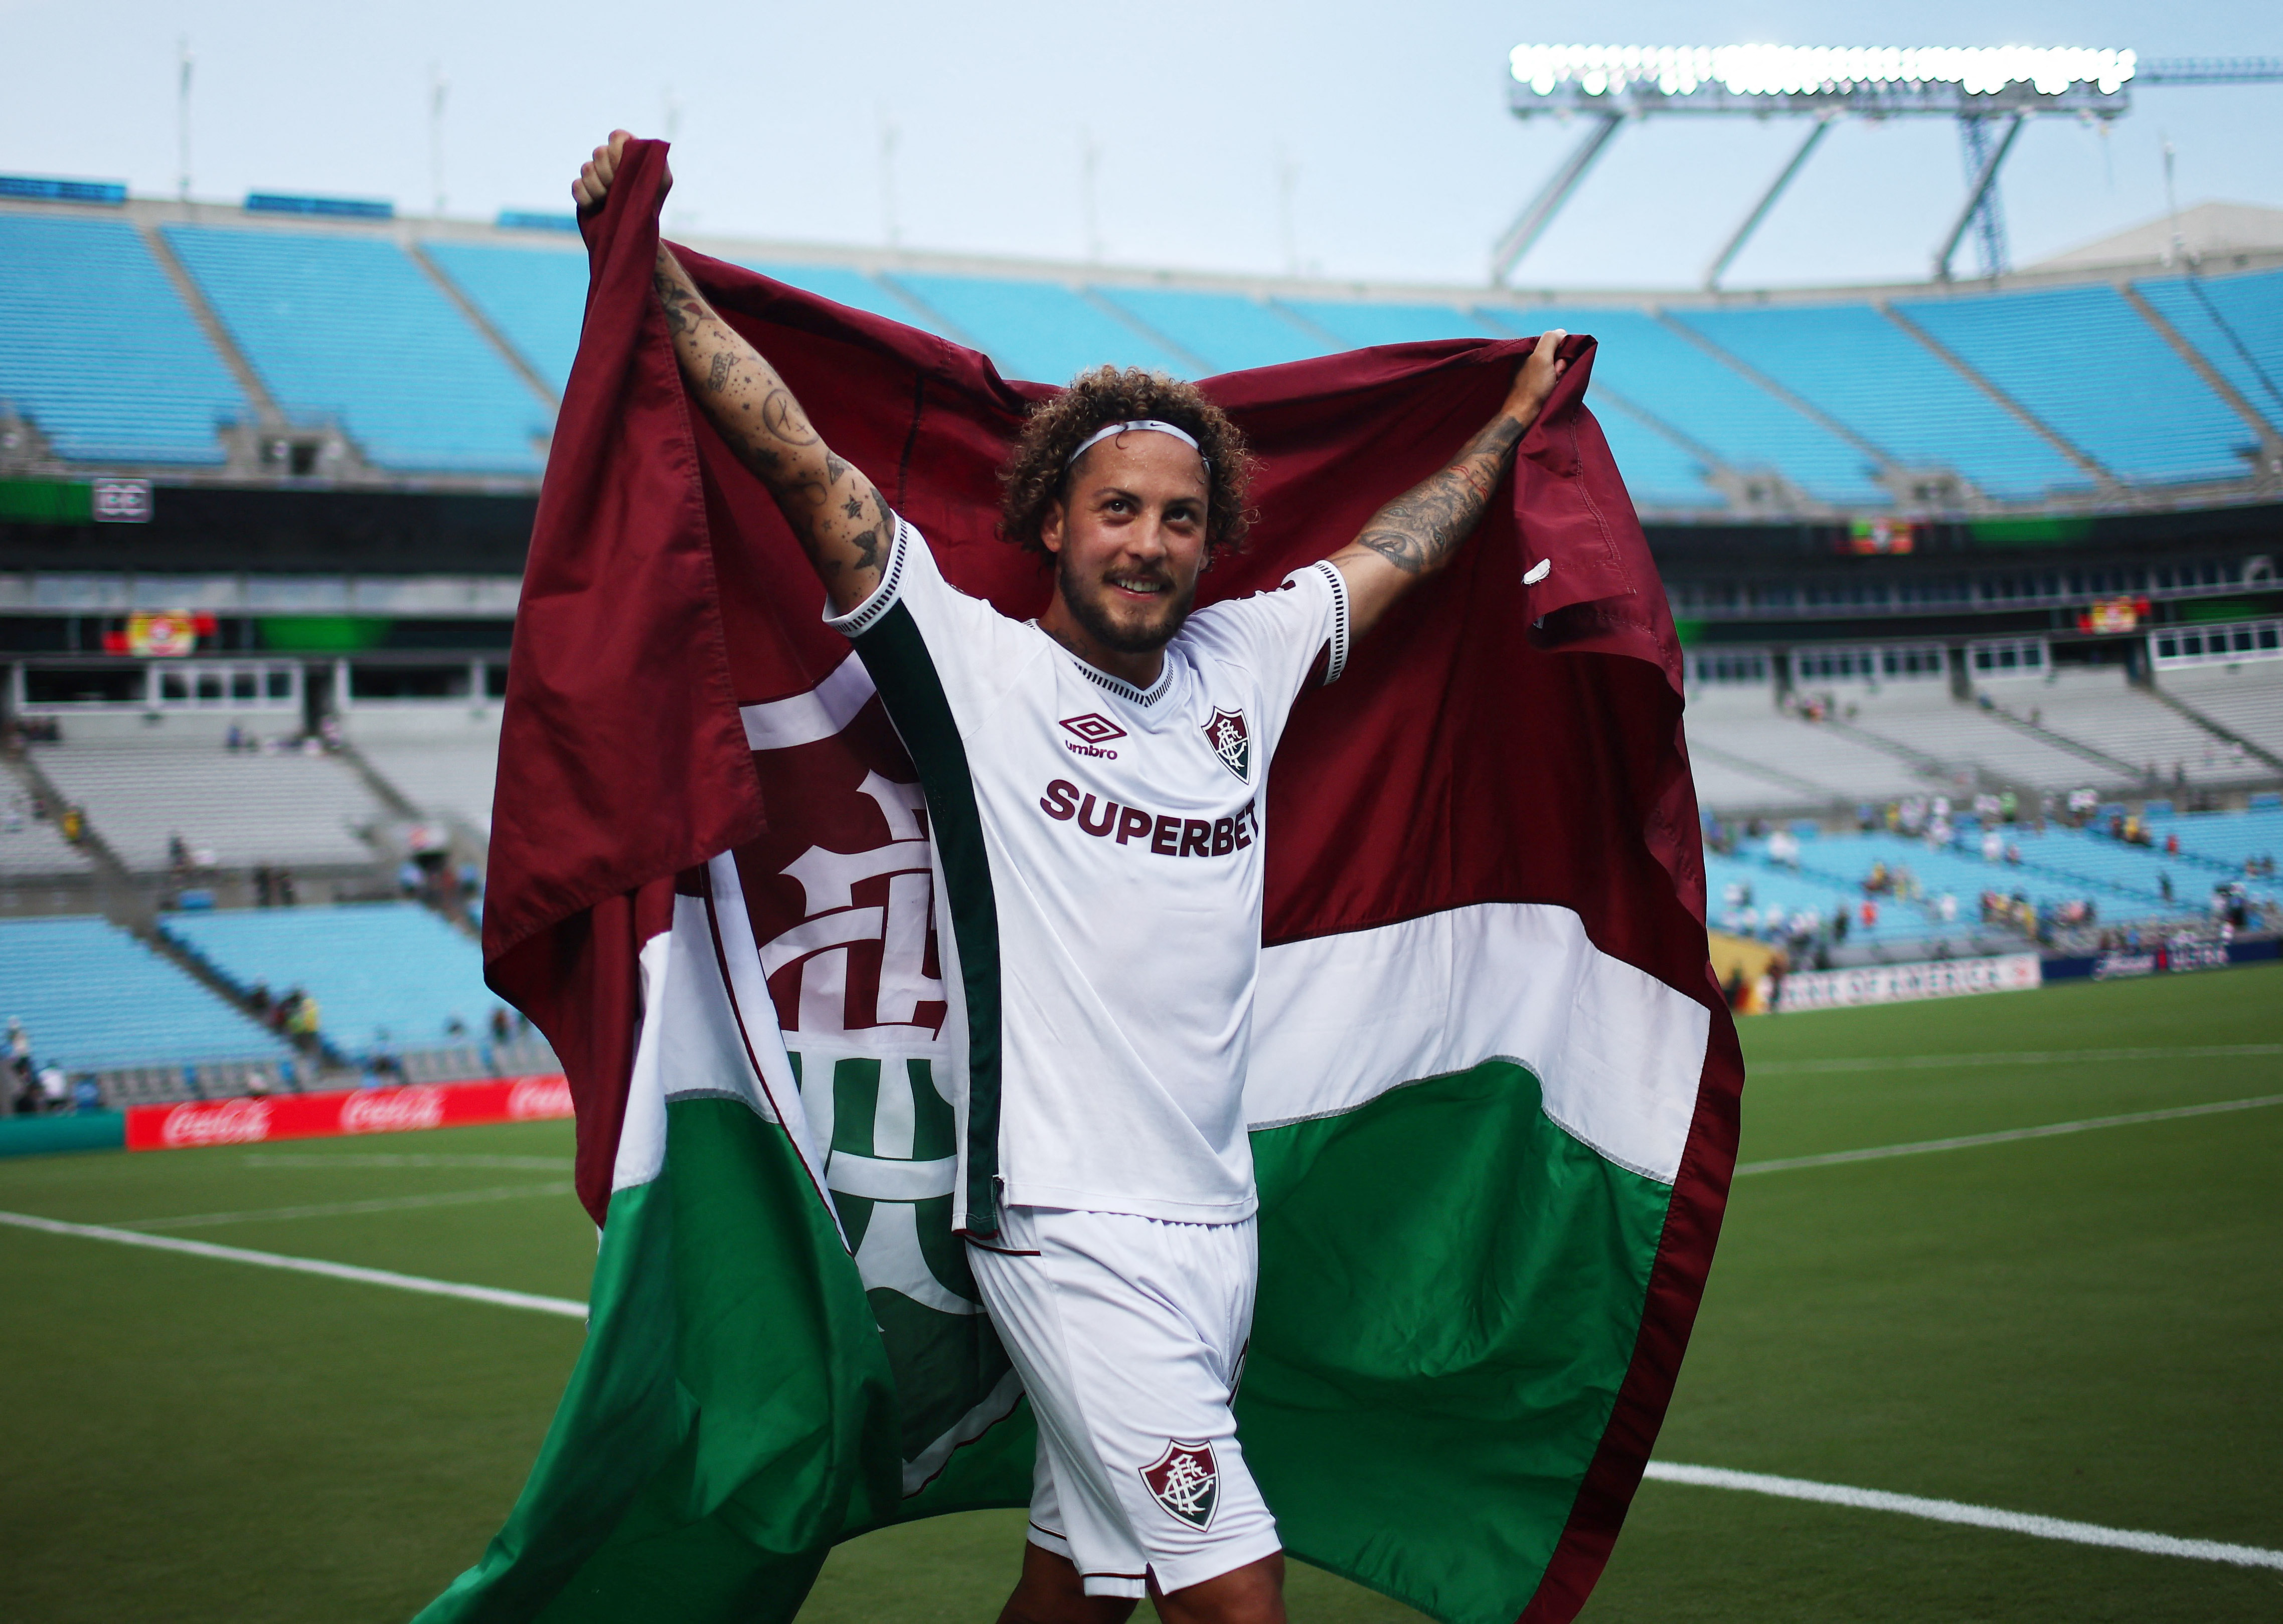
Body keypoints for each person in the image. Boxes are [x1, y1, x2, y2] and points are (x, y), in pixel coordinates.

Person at [574, 129, 1571, 1624]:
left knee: (1079, 1592)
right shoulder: (976, 671)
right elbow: (797, 460)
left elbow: (1398, 550)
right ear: (1052, 518)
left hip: (1217, 1225)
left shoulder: (1255, 656)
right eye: (1118, 510)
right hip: (1062, 1225)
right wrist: (643, 274)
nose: (1149, 543)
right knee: (1235, 1595)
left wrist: (1508, 430)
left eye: (1181, 518)